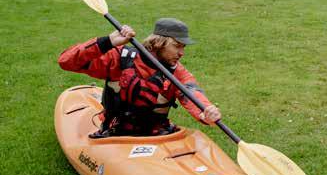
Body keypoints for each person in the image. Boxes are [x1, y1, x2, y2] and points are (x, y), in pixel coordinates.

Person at [58, 18, 221, 136]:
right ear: (159, 42)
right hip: (115, 133)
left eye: (183, 47)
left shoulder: (177, 72)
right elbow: (66, 61)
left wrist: (205, 113)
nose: (181, 53)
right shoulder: (120, 59)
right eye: (177, 46)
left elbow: (192, 93)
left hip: (157, 133)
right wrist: (107, 42)